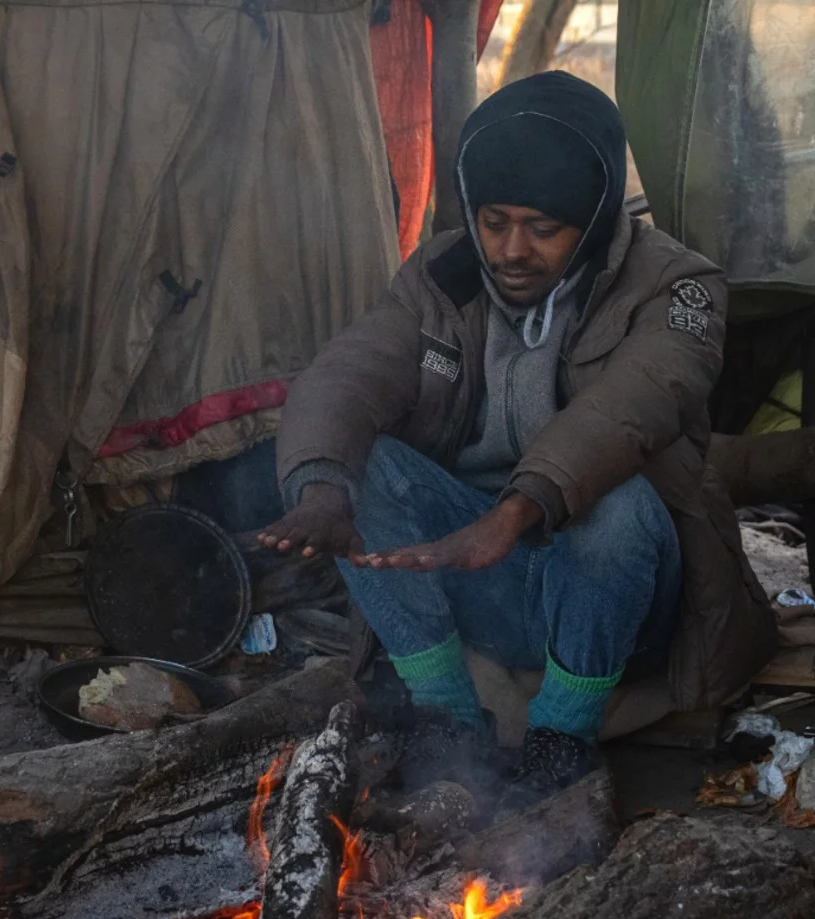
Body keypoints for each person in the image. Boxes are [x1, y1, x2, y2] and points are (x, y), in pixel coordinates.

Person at [261, 72, 774, 811]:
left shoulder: (675, 287)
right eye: (494, 220)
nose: (511, 250)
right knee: (359, 468)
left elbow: (630, 410)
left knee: (616, 502)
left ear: (593, 221)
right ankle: (447, 721)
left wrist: (512, 514)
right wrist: (317, 485)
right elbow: (351, 370)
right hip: (485, 585)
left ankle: (561, 737)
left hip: (617, 592)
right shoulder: (440, 274)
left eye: (542, 227)